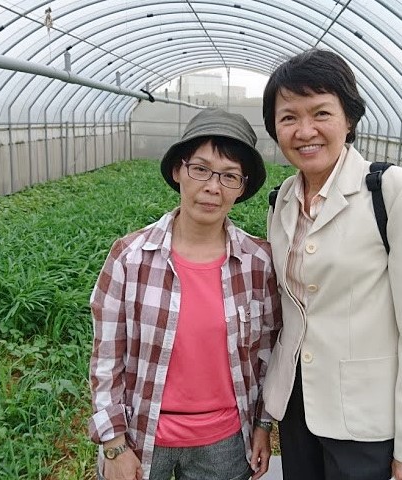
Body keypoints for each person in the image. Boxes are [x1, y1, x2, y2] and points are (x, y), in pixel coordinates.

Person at [260, 49, 402, 480]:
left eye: (321, 113)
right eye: (288, 117)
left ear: (349, 118)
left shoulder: (391, 191)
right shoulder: (282, 201)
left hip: (364, 419)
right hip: (298, 408)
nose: (304, 131)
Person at [88, 108, 281, 480]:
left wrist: (263, 425)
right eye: (201, 169)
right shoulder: (130, 257)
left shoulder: (257, 262)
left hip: (226, 441)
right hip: (142, 434)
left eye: (229, 176)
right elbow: (106, 358)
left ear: (242, 188)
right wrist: (113, 444)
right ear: (178, 170)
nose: (212, 186)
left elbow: (266, 352)